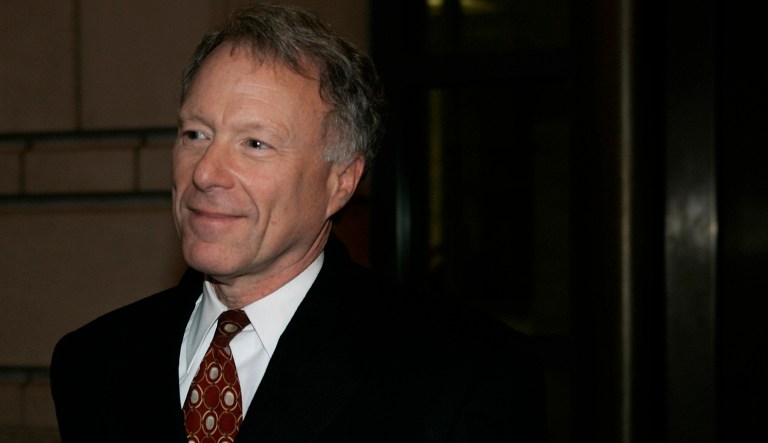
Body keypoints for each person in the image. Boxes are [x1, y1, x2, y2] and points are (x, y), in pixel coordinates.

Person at [50, 2, 547, 442]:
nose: (204, 173)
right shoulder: (93, 361)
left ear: (341, 181)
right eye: (196, 134)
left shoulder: (464, 373)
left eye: (255, 144)